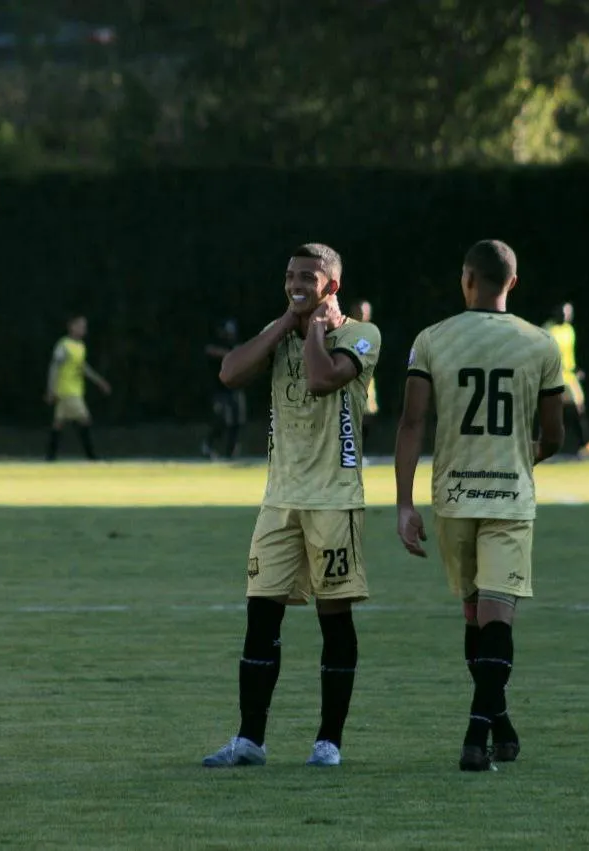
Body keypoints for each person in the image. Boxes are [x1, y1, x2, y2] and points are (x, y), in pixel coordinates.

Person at [202, 243, 382, 769]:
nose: (296, 283)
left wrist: (318, 330)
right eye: (289, 276)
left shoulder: (362, 335)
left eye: (308, 276)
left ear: (332, 285)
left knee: (334, 621)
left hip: (334, 500)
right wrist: (287, 321)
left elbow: (325, 380)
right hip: (278, 501)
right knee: (260, 618)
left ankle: (329, 742)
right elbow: (230, 374)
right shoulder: (279, 330)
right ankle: (250, 739)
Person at [395, 240, 564, 772]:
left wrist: (403, 504)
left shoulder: (432, 339)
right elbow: (554, 436)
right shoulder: (541, 344)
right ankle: (496, 729)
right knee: (495, 622)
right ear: (512, 283)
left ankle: (479, 735)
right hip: (510, 497)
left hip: (453, 498)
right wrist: (520, 455)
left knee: (476, 619)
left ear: (466, 278)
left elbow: (412, 424)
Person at [543, 303, 589, 458]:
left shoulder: (569, 330)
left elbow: (568, 354)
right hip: (555, 375)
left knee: (575, 409)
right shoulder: (547, 329)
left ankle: (583, 445)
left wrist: (575, 368)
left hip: (569, 377)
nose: (566, 316)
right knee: (560, 410)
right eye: (563, 313)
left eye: (568, 313)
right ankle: (577, 444)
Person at [45, 315, 111, 461]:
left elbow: (83, 368)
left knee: (58, 424)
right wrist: (51, 389)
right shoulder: (64, 345)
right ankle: (91, 457)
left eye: (84, 326)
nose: (83, 329)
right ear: (71, 326)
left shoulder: (80, 346)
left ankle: (50, 458)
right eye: (80, 326)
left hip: (73, 390)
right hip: (68, 391)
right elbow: (54, 367)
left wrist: (99, 381)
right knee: (85, 419)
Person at [202, 319, 246, 460]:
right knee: (222, 419)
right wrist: (229, 354)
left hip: (234, 388)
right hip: (220, 389)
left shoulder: (235, 344)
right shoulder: (218, 343)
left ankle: (231, 452)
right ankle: (208, 445)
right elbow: (210, 350)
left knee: (238, 421)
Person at [351, 300, 380, 455]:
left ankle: (362, 453)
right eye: (359, 311)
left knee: (367, 419)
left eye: (364, 312)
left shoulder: (371, 333)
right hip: (351, 383)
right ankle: (354, 453)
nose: (361, 315)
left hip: (367, 384)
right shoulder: (347, 331)